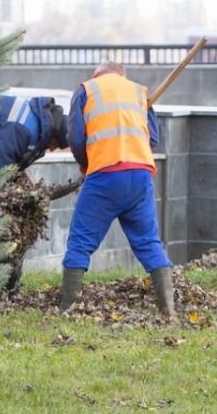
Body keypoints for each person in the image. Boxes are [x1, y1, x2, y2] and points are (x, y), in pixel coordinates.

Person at [59, 61, 174, 315]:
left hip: (105, 175)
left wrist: (85, 164)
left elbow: (76, 137)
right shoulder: (138, 92)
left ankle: (67, 308)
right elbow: (152, 138)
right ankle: (169, 310)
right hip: (141, 175)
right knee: (149, 242)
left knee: (81, 241)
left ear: (96, 74)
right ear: (122, 74)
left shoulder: (86, 90)